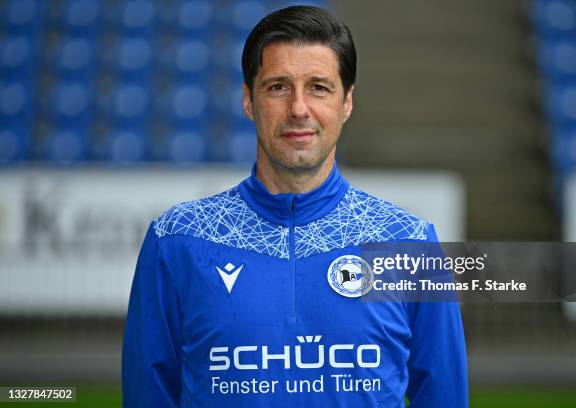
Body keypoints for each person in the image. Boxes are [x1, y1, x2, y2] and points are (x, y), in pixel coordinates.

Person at [122, 5, 468, 407]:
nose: (299, 108)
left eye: (319, 87)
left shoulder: (408, 242)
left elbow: (445, 397)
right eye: (278, 87)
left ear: (347, 102)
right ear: (248, 100)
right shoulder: (177, 240)